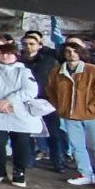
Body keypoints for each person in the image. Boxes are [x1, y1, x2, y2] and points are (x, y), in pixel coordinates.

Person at [47, 43, 95, 189]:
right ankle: (85, 173)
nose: (71, 54)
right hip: (70, 115)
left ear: (81, 53)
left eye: (75, 51)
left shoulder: (94, 71)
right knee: (77, 146)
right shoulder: (56, 72)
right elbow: (51, 91)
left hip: (94, 115)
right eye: (68, 51)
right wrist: (60, 107)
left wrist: (91, 109)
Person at [0, 43, 41, 187]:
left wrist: (8, 101)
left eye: (9, 53)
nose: (5, 56)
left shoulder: (24, 72)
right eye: (2, 53)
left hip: (18, 112)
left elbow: (30, 90)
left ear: (16, 55)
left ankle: (19, 171)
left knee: (21, 143)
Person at [22, 34, 64, 172]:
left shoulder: (50, 61)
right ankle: (29, 159)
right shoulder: (19, 61)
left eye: (32, 44)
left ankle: (58, 161)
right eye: (25, 44)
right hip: (25, 100)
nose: (28, 46)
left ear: (40, 45)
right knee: (26, 132)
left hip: (47, 100)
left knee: (53, 133)